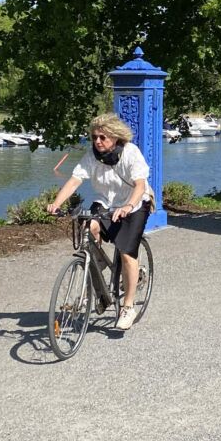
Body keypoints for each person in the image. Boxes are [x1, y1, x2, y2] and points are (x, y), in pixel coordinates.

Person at [47, 113, 154, 331]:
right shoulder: (91, 156)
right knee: (90, 227)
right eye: (94, 137)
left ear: (115, 137)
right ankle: (94, 268)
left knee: (126, 253)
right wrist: (56, 204)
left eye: (103, 137)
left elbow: (140, 186)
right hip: (106, 202)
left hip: (134, 203)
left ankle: (127, 306)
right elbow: (75, 180)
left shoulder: (130, 153)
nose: (97, 141)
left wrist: (127, 207)